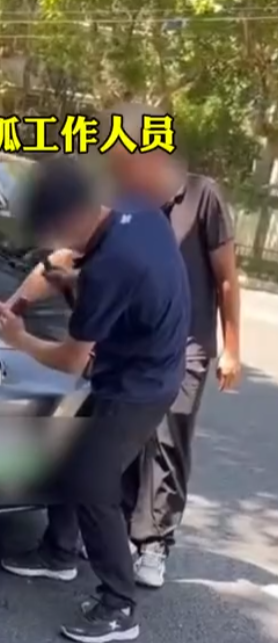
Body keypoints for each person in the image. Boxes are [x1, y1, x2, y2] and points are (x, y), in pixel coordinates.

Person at [0, 155, 190, 643]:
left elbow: (71, 359)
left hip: (141, 385)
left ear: (77, 215)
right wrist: (18, 303)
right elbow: (66, 266)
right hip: (136, 363)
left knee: (92, 482)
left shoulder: (111, 267)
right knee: (69, 450)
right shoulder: (133, 209)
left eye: (58, 232)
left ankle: (119, 605)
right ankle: (59, 553)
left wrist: (18, 339)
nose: (58, 246)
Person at [100, 102, 241, 588]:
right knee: (126, 436)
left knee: (167, 441)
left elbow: (227, 279)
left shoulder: (203, 196)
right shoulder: (129, 201)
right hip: (137, 345)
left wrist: (231, 347)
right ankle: (121, 529)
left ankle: (154, 543)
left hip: (188, 346)